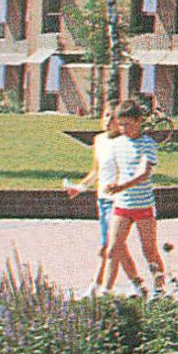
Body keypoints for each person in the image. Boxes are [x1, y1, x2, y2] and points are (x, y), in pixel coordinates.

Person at [103, 98, 167, 296]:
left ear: (139, 121)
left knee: (149, 250)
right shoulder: (117, 144)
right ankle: (136, 285)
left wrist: (121, 186)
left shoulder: (147, 144)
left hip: (143, 206)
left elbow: (144, 173)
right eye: (120, 124)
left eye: (128, 124)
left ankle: (160, 289)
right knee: (114, 247)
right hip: (122, 204)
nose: (123, 128)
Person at [66, 100, 121, 296]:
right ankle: (139, 284)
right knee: (115, 246)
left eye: (113, 117)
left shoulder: (125, 142)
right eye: (106, 115)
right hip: (103, 200)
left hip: (120, 201)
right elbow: (96, 171)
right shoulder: (99, 141)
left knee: (108, 245)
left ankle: (99, 287)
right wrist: (80, 187)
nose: (108, 120)